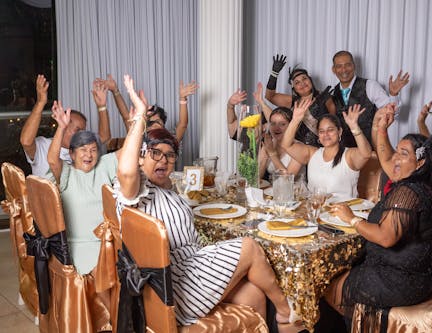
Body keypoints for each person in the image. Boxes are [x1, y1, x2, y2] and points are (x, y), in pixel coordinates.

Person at [115, 74, 301, 331]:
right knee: (250, 246)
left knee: (254, 295)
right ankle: (287, 314)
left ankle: (276, 317)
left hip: (190, 268)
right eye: (155, 153)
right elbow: (125, 173)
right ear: (139, 158)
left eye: (170, 156)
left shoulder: (164, 187)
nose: (164, 160)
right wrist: (138, 116)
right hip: (177, 284)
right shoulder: (134, 192)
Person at [323, 104, 432, 329]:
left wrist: (351, 218)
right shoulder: (425, 182)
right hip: (417, 275)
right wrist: (381, 129)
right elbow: (389, 158)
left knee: (328, 288)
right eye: (397, 151)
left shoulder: (408, 192)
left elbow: (386, 238)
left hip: (400, 280)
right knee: (341, 270)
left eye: (404, 153)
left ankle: (357, 325)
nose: (395, 158)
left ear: (420, 162)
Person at [47, 100, 120, 274]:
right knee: (104, 276)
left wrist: (139, 118)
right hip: (78, 247)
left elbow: (128, 153)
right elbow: (51, 160)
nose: (89, 154)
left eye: (93, 150)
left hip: (109, 243)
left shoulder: (103, 165)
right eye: (83, 150)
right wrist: (61, 128)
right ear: (71, 154)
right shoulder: (66, 173)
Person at [20, 74, 110, 177]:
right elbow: (26, 142)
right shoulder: (44, 145)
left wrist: (102, 106)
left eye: (83, 131)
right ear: (64, 125)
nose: (81, 136)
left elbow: (104, 137)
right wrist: (40, 103)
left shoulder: (83, 149)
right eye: (77, 130)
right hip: (47, 192)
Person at [281, 97, 372, 198]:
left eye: (330, 130)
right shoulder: (312, 153)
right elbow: (286, 145)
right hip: (315, 209)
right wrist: (295, 120)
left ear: (339, 131)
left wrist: (354, 127)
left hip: (342, 211)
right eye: (321, 131)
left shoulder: (348, 155)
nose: (326, 134)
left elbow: (366, 153)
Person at [330, 50, 410, 147]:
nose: (344, 70)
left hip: (370, 150)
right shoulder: (332, 93)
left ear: (354, 66)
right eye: (339, 66)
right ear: (333, 70)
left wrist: (393, 94)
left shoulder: (370, 86)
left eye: (348, 65)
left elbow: (392, 114)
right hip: (343, 154)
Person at [265, 54, 336, 147]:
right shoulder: (292, 101)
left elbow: (335, 124)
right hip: (296, 148)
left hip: (321, 147)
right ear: (294, 88)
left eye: (304, 79)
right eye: (297, 82)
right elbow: (269, 96)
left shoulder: (324, 96)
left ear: (310, 80)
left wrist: (320, 107)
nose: (302, 83)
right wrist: (274, 73)